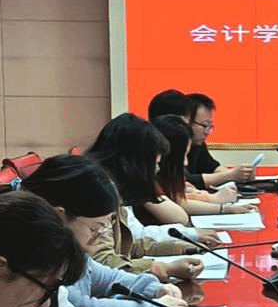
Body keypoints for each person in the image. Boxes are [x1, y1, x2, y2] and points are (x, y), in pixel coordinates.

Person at [7, 154, 186, 307]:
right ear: (59, 216)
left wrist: (152, 289)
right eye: (96, 228)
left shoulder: (63, 253)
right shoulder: (25, 263)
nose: (104, 236)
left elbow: (100, 282)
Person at [86, 113, 222, 254]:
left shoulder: (114, 183)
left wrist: (183, 243)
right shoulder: (99, 188)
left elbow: (135, 235)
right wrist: (164, 262)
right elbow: (128, 243)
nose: (156, 170)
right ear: (131, 161)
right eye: (153, 164)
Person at [152, 114, 255, 218]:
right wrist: (220, 206)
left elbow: (177, 198)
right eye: (183, 156)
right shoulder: (149, 180)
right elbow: (179, 210)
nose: (186, 163)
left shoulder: (198, 146)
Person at [185, 93, 256, 189]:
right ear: (187, 121)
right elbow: (186, 180)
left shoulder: (198, 144)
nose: (207, 132)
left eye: (210, 127)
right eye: (204, 126)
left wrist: (242, 174)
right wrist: (231, 175)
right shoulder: (172, 144)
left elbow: (213, 168)